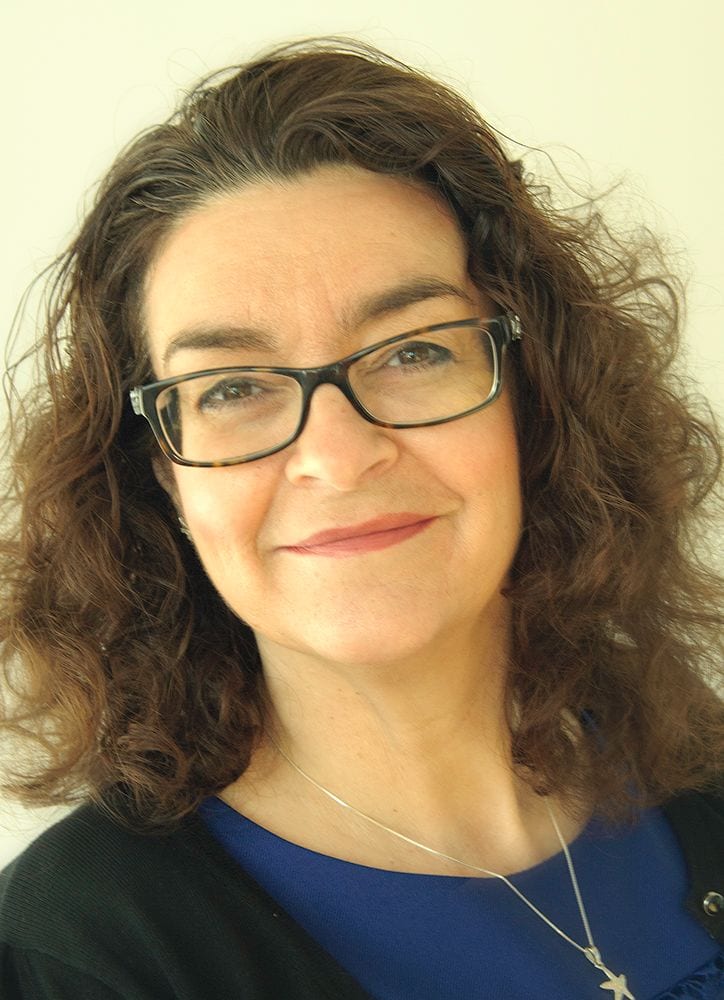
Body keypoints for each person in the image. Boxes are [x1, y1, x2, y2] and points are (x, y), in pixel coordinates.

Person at [0, 37, 722, 1000]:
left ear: (540, 402)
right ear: (159, 478)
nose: (337, 457)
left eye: (415, 352)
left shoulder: (702, 784)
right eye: (233, 388)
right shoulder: (78, 955)